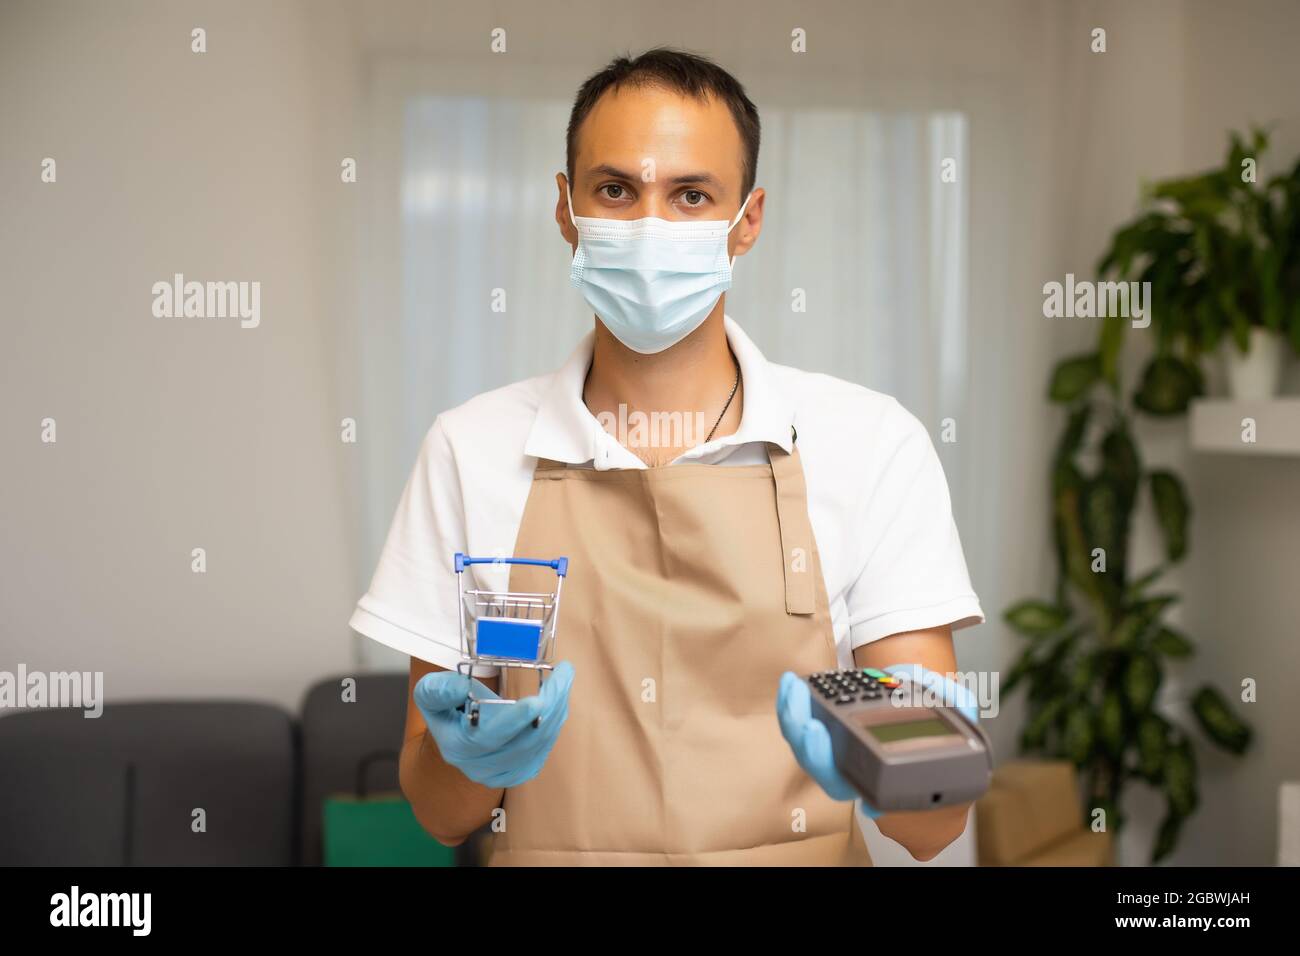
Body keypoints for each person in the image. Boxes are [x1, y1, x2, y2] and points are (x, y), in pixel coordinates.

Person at [349, 48, 984, 866]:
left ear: (746, 220)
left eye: (691, 196)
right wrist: (470, 758)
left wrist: (894, 772)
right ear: (566, 207)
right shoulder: (469, 450)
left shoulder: (871, 443)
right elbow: (441, 816)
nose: (650, 225)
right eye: (616, 190)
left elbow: (935, 826)